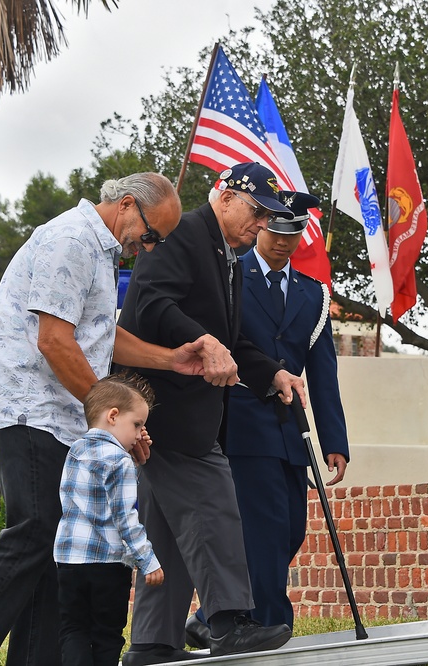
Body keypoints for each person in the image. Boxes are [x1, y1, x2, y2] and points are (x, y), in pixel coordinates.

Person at [0, 173, 230, 666]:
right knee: (36, 530)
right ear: (127, 205)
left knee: (53, 550)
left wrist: (173, 358)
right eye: (150, 235)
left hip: (59, 418)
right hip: (28, 410)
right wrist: (108, 424)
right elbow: (54, 341)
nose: (149, 248)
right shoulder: (71, 240)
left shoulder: (99, 252)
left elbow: (102, 339)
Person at [116, 162, 308, 666]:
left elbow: (234, 337)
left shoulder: (226, 255)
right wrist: (201, 341)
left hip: (175, 415)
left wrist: (272, 374)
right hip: (167, 409)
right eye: (257, 211)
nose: (262, 224)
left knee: (168, 529)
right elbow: (151, 305)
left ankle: (153, 643)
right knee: (214, 504)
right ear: (224, 197)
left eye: (268, 216)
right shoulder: (181, 234)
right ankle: (229, 623)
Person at [184, 191, 350, 649]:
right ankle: (267, 623)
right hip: (240, 419)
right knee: (261, 528)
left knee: (290, 527)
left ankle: (209, 617)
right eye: (276, 230)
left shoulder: (313, 294)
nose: (283, 241)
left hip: (289, 426)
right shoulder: (232, 275)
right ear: (261, 227)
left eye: (293, 232)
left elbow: (323, 370)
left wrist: (334, 438)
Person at [54, 371, 163, 666]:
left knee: (73, 629)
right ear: (113, 416)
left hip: (68, 561)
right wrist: (147, 560)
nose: (141, 433)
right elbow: (125, 517)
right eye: (137, 424)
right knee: (107, 633)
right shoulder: (119, 460)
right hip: (107, 564)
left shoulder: (74, 450)